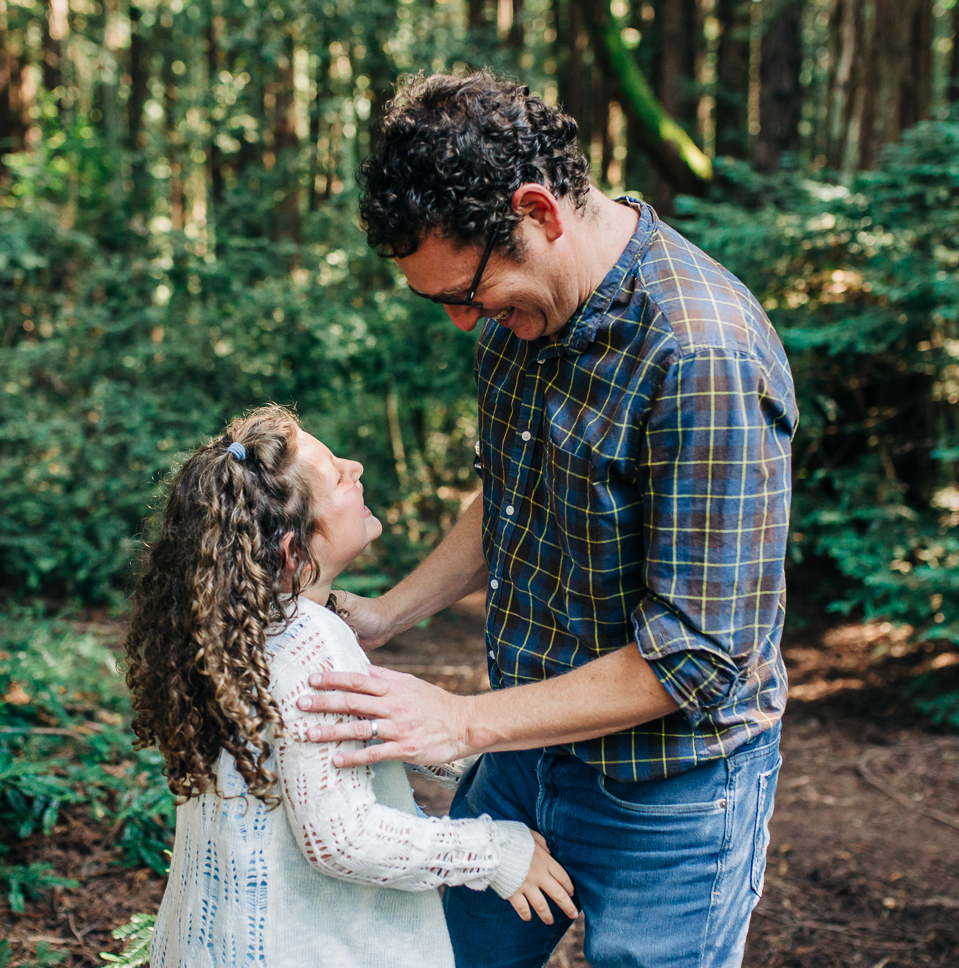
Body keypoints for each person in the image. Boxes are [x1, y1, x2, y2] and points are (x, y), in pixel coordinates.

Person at [296, 71, 798, 968]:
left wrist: (464, 723)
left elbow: (698, 654)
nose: (462, 323)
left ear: (538, 211)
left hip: (672, 791)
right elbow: (512, 495)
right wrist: (386, 616)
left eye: (466, 292)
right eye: (437, 301)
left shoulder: (702, 354)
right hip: (528, 759)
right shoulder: (513, 324)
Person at [124, 404, 577, 968]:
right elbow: (341, 838)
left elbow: (325, 752)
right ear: (294, 551)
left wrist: (488, 757)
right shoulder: (310, 639)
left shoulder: (237, 630)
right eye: (339, 475)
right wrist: (497, 853)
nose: (357, 467)